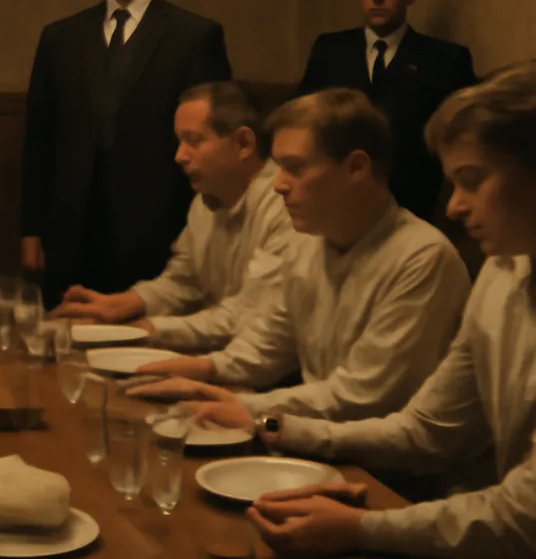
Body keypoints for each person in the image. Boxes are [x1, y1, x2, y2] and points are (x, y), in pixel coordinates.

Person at [242, 63, 536, 559]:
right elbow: (427, 429)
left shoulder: (429, 256)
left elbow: (523, 518)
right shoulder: (502, 272)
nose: (454, 206)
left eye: (473, 180)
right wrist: (275, 425)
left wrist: (361, 528)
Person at [132, 89, 470, 428]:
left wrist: (245, 406)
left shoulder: (422, 257)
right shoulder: (307, 243)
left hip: (383, 456)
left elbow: (361, 397)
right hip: (321, 439)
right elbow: (267, 345)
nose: (278, 185)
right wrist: (200, 370)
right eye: (279, 168)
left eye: (294, 168)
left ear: (356, 167)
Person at [21, 0, 232, 307]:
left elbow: (212, 142)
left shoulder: (194, 37)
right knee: (68, 334)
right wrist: (31, 229)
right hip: (72, 231)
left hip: (159, 229)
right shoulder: (61, 39)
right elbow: (40, 141)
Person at [51, 81, 292, 352]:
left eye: (194, 140)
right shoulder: (205, 200)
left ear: (243, 143)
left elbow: (247, 314)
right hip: (223, 356)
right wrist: (124, 304)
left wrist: (136, 331)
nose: (179, 156)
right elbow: (184, 281)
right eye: (179, 141)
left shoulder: (287, 206)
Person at [296, 0, 475, 221]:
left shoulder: (445, 59)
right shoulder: (330, 50)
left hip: (412, 205)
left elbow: (462, 136)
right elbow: (300, 117)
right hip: (335, 198)